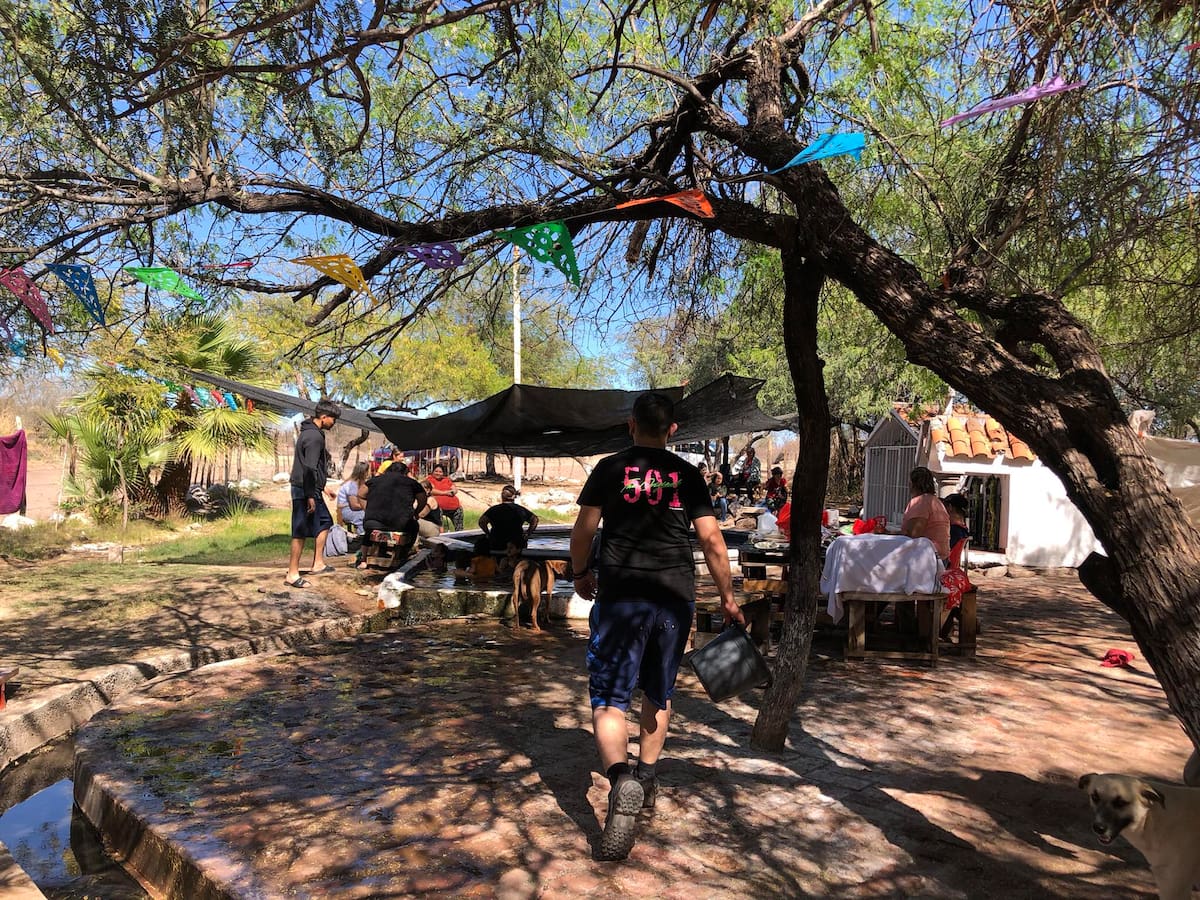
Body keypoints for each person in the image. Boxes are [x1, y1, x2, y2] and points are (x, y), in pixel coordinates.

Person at [570, 391, 744, 862]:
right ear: (672, 431)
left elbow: (584, 529)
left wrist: (580, 572)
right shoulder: (688, 475)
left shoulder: (609, 469)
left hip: (622, 597)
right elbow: (711, 539)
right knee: (658, 692)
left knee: (609, 697)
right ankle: (646, 777)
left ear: (630, 426)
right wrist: (728, 598)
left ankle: (620, 778)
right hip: (673, 598)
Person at [286, 399, 342, 587]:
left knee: (325, 521)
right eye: (333, 419)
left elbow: (313, 468)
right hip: (304, 489)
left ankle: (317, 563)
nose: (334, 423)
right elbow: (309, 468)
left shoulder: (311, 433)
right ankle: (292, 574)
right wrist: (311, 494)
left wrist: (323, 487)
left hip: (310, 487)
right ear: (323, 417)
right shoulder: (314, 437)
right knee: (300, 529)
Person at [357, 460, 427, 568]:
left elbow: (360, 494)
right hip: (400, 524)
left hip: (373, 522)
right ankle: (403, 554)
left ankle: (364, 560)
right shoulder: (411, 483)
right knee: (414, 527)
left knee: (369, 530)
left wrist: (367, 509)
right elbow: (423, 499)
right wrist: (416, 513)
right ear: (405, 472)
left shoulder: (374, 480)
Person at [901, 466, 951, 562]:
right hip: (940, 556)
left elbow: (913, 534)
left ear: (913, 484)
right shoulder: (936, 501)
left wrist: (887, 534)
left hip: (928, 558)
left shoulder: (921, 502)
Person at [479, 484, 538, 553]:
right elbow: (534, 520)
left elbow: (482, 522)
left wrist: (488, 534)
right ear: (514, 496)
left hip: (497, 543)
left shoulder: (494, 510)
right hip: (517, 544)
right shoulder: (520, 510)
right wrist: (528, 533)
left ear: (502, 496)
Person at [424, 463, 464, 532]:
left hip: (454, 506)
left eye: (440, 472)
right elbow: (431, 490)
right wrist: (445, 493)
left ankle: (460, 533)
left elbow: (455, 489)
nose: (438, 473)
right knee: (437, 513)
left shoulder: (446, 480)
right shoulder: (429, 479)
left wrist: (453, 492)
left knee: (459, 510)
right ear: (432, 472)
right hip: (438, 508)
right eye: (436, 471)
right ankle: (441, 534)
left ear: (443, 473)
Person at [335, 461, 370, 532]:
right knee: (363, 516)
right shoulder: (352, 485)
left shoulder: (359, 484)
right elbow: (354, 506)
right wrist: (369, 507)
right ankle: (362, 536)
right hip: (346, 510)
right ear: (364, 472)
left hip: (352, 509)